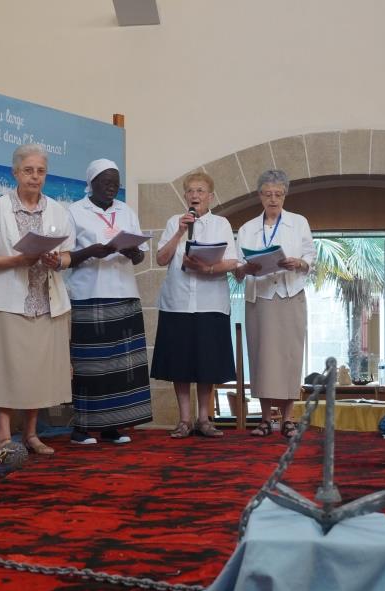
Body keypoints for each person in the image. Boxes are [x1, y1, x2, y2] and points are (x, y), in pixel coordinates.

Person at [0, 143, 75, 456]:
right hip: (10, 302)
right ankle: (4, 436)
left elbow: (68, 255)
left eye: (41, 171)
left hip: (47, 301)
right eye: (28, 170)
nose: (35, 177)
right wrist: (17, 260)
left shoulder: (57, 210)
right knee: (8, 370)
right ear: (15, 173)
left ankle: (31, 434)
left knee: (38, 372)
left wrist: (58, 261)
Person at [64, 159, 152, 446]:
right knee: (90, 365)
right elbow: (66, 258)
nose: (112, 186)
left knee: (123, 364)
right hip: (89, 294)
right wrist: (91, 251)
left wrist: (132, 252)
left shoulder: (126, 211)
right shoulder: (74, 212)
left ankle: (113, 426)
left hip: (125, 293)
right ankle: (81, 428)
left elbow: (140, 255)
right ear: (92, 183)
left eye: (116, 182)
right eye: (106, 181)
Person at [150, 171, 239, 438]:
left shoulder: (221, 224)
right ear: (185, 196)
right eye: (190, 191)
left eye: (200, 191)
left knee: (206, 362)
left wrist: (207, 267)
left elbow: (232, 262)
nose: (195, 195)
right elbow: (161, 259)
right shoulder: (173, 222)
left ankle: (203, 418)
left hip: (210, 302)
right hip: (177, 302)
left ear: (210, 197)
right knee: (180, 363)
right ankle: (184, 420)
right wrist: (179, 231)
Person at [233, 169, 314, 438]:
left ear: (285, 195)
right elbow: (237, 268)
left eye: (278, 194)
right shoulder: (247, 228)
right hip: (261, 296)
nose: (273, 199)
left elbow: (310, 257)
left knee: (291, 355)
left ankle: (288, 419)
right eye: (268, 194)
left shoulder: (299, 222)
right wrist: (246, 268)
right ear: (260, 196)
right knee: (262, 356)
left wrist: (298, 262)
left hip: (290, 293)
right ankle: (266, 419)